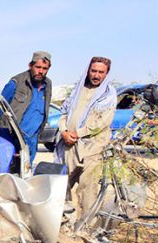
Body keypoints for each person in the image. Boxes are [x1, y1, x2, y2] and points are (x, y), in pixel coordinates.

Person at [55, 56, 116, 230]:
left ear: (106, 74)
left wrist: (78, 133)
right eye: (94, 71)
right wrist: (64, 131)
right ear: (88, 70)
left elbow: (102, 122)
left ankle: (85, 229)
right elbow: (64, 113)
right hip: (69, 146)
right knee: (61, 186)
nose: (96, 75)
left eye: (100, 72)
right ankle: (62, 225)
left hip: (92, 148)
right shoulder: (77, 90)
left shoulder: (108, 95)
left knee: (87, 189)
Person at [1, 51, 52, 165]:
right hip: (14, 138)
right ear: (30, 65)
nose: (41, 71)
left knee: (27, 172)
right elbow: (1, 108)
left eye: (45, 68)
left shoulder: (48, 84)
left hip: (32, 139)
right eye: (38, 67)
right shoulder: (16, 82)